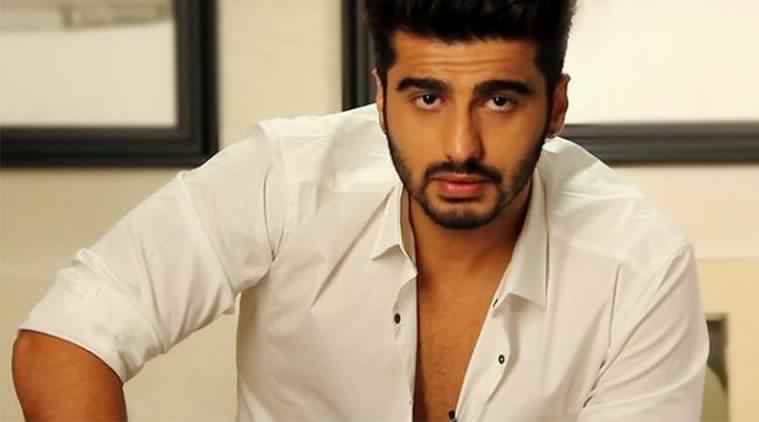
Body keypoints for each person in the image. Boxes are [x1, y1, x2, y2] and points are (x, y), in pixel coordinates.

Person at [12, 1, 709, 421]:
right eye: (427, 98)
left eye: (499, 100)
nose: (459, 147)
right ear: (380, 95)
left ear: (555, 106)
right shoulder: (287, 177)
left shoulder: (638, 266)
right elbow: (66, 339)